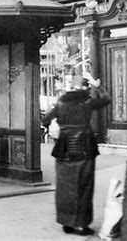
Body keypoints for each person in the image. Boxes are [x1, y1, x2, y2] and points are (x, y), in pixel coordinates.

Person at [41, 74, 111, 236]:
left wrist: (57, 125)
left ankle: (67, 222)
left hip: (64, 148)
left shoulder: (61, 101)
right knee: (84, 186)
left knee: (65, 186)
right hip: (86, 146)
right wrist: (97, 85)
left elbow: (45, 120)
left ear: (71, 87)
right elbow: (106, 100)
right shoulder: (87, 102)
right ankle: (81, 225)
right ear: (86, 87)